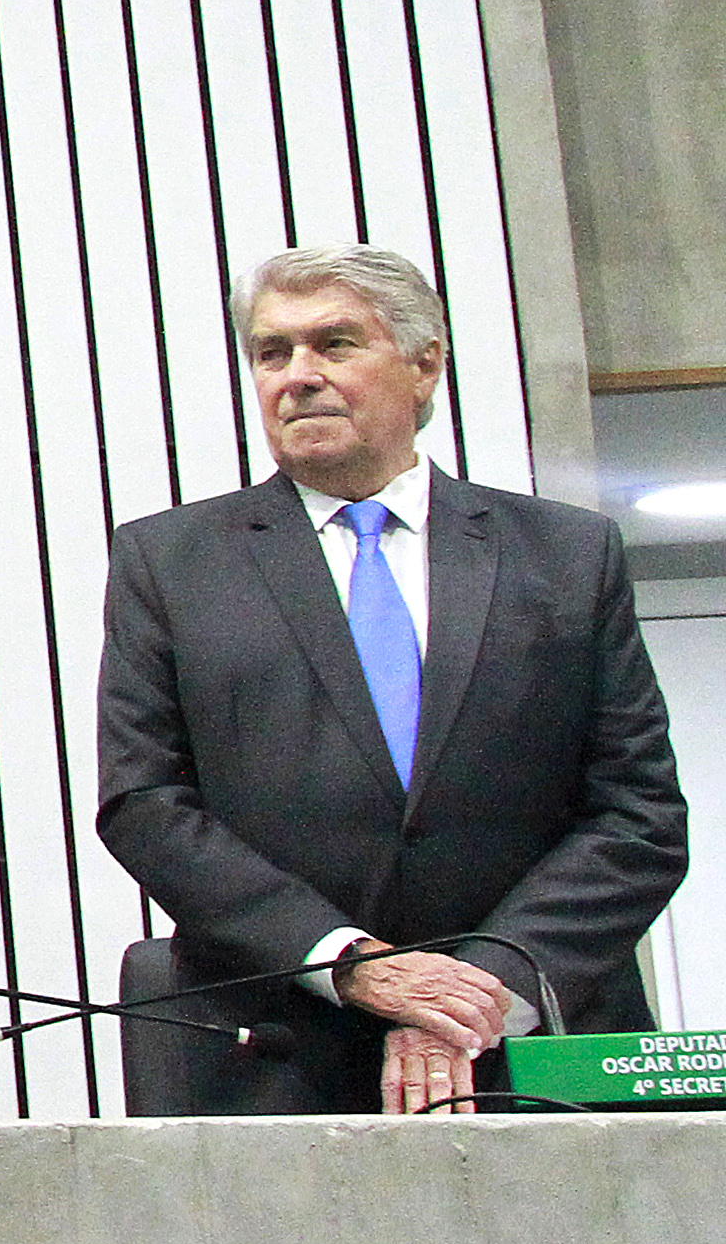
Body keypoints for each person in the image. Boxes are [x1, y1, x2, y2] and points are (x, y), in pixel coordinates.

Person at [95, 244, 684, 1115]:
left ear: (424, 364)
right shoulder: (172, 562)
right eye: (271, 353)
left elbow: (638, 813)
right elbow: (145, 802)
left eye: (334, 345)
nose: (297, 376)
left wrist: (475, 994)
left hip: (539, 1043)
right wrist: (352, 964)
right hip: (281, 1049)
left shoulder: (563, 555)